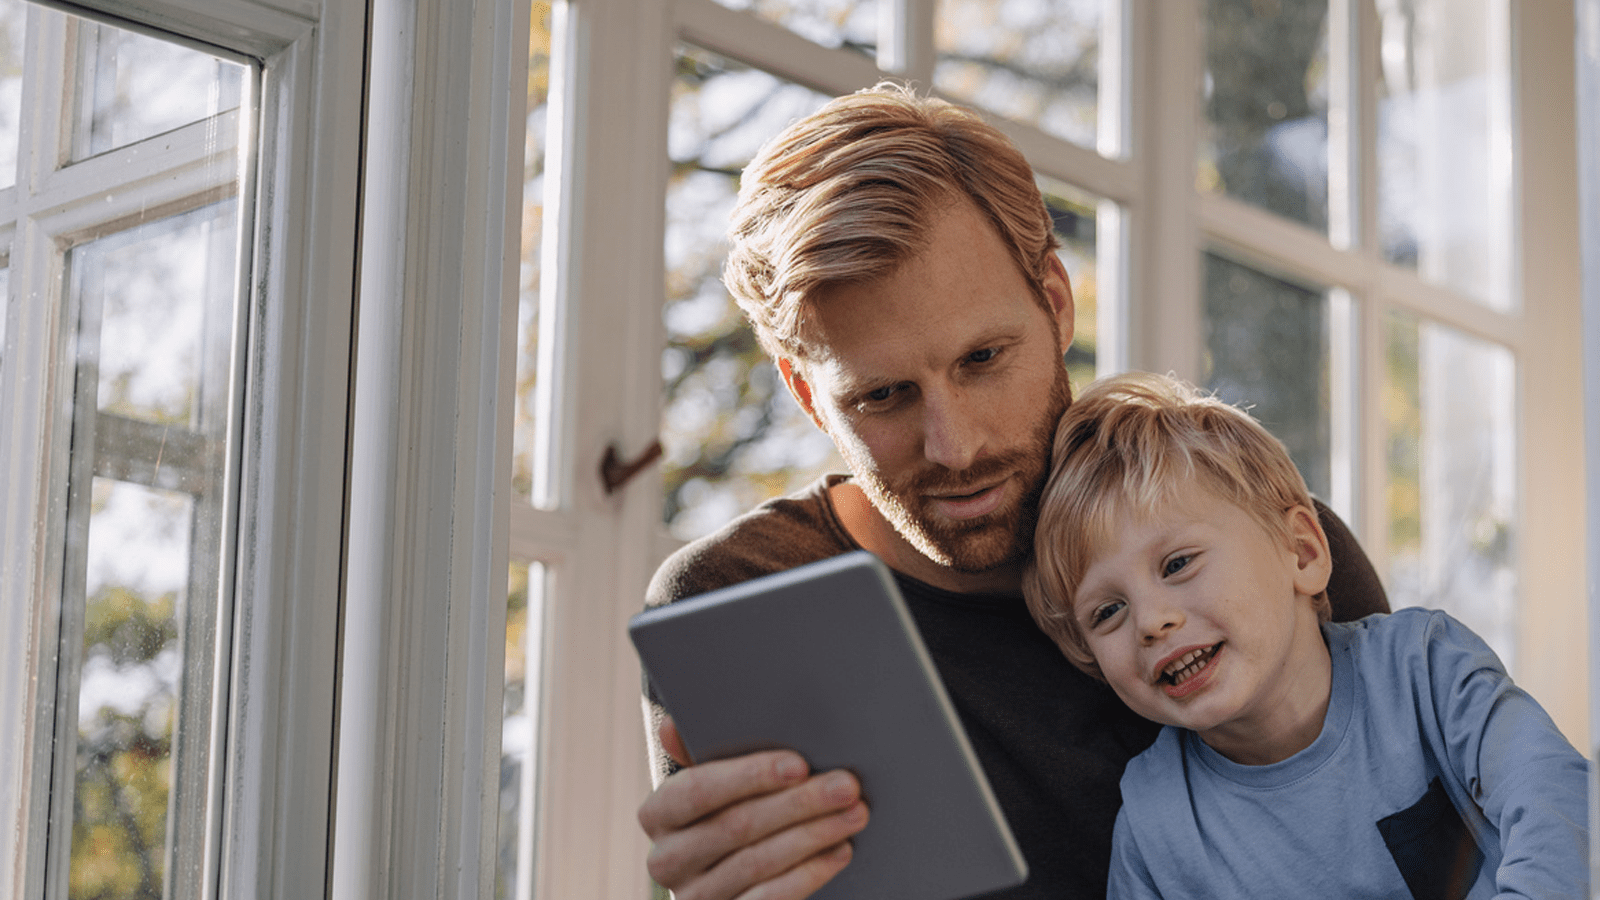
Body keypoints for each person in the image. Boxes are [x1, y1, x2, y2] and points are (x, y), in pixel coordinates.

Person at [636, 82, 1391, 900]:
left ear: (1056, 304)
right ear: (807, 394)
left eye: (983, 360)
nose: (955, 448)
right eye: (882, 396)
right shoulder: (743, 603)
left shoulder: (1264, 547)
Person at [1022, 371, 1589, 899]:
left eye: (1177, 564)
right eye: (1108, 611)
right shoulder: (1153, 824)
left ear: (1302, 552)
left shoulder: (1424, 668)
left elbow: (1561, 802)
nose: (1150, 621)